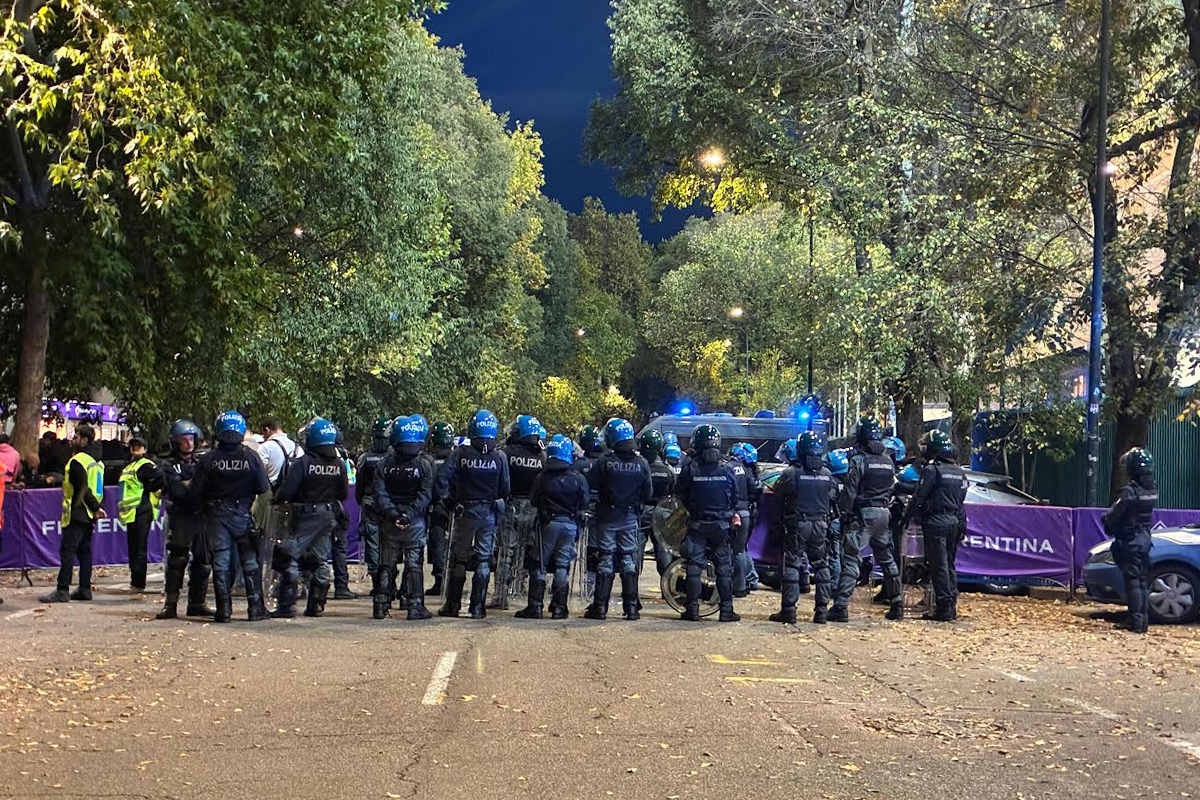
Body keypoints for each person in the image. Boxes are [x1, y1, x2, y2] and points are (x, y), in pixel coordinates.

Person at [187, 412, 270, 622]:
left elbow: (195, 493)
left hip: (216, 515)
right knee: (250, 561)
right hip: (242, 513)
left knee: (221, 561)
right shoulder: (252, 457)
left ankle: (223, 610)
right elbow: (263, 487)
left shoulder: (209, 459)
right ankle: (256, 609)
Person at [436, 410, 510, 619]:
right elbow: (505, 488)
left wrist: (449, 501)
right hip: (488, 512)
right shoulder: (499, 456)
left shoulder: (461, 453)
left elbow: (442, 478)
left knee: (459, 559)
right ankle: (478, 608)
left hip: (465, 511)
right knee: (484, 559)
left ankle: (452, 605)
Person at [270, 418, 347, 618]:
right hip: (328, 516)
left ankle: (286, 605)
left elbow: (287, 491)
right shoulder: (339, 464)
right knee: (320, 559)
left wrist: (277, 499)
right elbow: (344, 494)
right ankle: (316, 604)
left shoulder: (303, 463)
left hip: (303, 516)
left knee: (288, 557)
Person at [831, 418, 902, 622]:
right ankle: (897, 603)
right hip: (883, 514)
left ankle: (840, 606)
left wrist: (844, 512)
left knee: (851, 559)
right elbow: (891, 488)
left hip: (863, 515)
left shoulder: (859, 460)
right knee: (887, 560)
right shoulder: (888, 461)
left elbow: (850, 491)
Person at [584, 418, 652, 621]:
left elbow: (589, 483)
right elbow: (647, 493)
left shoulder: (605, 461)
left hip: (607, 516)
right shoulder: (641, 463)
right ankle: (631, 608)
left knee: (606, 558)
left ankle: (600, 608)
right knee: (628, 559)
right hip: (629, 516)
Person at [516, 434, 589, 619]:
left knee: (539, 563)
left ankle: (535, 606)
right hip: (570, 525)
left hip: (548, 524)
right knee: (562, 565)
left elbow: (534, 501)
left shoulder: (542, 478)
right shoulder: (578, 478)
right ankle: (559, 608)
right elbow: (585, 502)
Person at [675, 424, 740, 622]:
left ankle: (692, 610)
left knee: (694, 567)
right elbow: (735, 496)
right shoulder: (727, 468)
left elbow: (680, 495)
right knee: (723, 569)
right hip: (721, 526)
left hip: (697, 525)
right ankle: (726, 610)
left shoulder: (690, 469)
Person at [372, 415, 435, 620]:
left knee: (386, 563)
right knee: (414, 563)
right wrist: (409, 515)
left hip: (390, 521)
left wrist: (393, 514)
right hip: (414, 521)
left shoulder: (384, 464)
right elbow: (426, 494)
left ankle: (380, 604)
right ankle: (415, 606)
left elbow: (379, 494)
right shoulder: (424, 464)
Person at [771, 434, 837, 624]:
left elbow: (777, 492)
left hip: (799, 524)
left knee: (792, 564)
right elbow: (832, 496)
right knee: (821, 565)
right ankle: (822, 612)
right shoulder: (827, 474)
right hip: (821, 524)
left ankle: (789, 610)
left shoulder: (792, 473)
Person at [39, 425, 106, 604]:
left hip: (78, 511)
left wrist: (94, 507)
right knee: (84, 551)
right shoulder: (98, 462)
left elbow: (82, 487)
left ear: (84, 440)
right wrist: (96, 508)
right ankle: (84, 588)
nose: (72, 439)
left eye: (76, 436)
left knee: (68, 551)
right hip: (89, 513)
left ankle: (62, 590)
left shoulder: (78, 460)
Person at [153, 420, 213, 619]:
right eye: (183, 440)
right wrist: (192, 485)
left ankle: (197, 603)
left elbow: (205, 486)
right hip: (180, 515)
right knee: (177, 559)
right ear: (175, 442)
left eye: (191, 439)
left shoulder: (201, 462)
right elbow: (177, 489)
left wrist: (190, 484)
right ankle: (170, 604)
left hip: (201, 515)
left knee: (204, 560)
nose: (188, 443)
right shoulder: (167, 464)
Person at [1102, 448, 1158, 634]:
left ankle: (1135, 622)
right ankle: (1142, 620)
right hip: (1145, 539)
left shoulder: (1129, 492)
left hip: (1131, 540)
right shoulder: (1151, 489)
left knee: (1133, 581)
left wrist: (1107, 519)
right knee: (1142, 581)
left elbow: (1114, 514)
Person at [492, 415, 545, 609]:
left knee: (506, 551)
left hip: (511, 506)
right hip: (533, 509)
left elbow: (500, 482)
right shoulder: (543, 457)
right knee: (530, 552)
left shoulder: (506, 454)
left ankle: (500, 595)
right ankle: (522, 589)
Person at [118, 437, 164, 593]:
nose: (135, 449)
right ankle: (135, 580)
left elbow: (160, 479)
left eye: (138, 446)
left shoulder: (146, 465)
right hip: (132, 511)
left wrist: (147, 489)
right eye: (133, 446)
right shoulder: (129, 466)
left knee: (139, 548)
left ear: (145, 449)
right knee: (133, 547)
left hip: (142, 510)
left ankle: (138, 583)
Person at [355, 417, 392, 603]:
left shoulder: (365, 458)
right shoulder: (395, 458)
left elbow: (359, 486)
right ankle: (389, 584)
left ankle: (379, 585)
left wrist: (362, 500)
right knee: (391, 545)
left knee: (373, 545)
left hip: (370, 504)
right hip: (390, 506)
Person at [424, 421, 456, 597]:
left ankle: (439, 580)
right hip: (456, 507)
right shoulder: (457, 457)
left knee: (437, 543)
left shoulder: (429, 460)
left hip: (437, 507)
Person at [638, 430, 676, 576]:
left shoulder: (640, 467)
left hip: (643, 510)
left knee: (637, 549)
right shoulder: (668, 470)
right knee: (663, 550)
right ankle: (667, 583)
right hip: (663, 511)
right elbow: (673, 492)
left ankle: (632, 584)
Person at [728, 443, 762, 598]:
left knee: (735, 551)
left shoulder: (729, 467)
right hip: (747, 512)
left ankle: (738, 586)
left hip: (734, 513)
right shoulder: (749, 471)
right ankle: (748, 582)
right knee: (742, 549)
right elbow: (755, 491)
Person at [330, 428, 358, 600]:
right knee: (339, 548)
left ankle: (312, 589)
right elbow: (347, 488)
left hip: (314, 509)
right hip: (337, 508)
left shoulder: (305, 460)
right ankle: (341, 586)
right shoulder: (344, 460)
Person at [823, 449, 851, 595]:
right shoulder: (848, 481)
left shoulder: (833, 483)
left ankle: (834, 586)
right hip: (844, 521)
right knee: (841, 554)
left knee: (834, 555)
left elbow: (830, 498)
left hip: (834, 521)